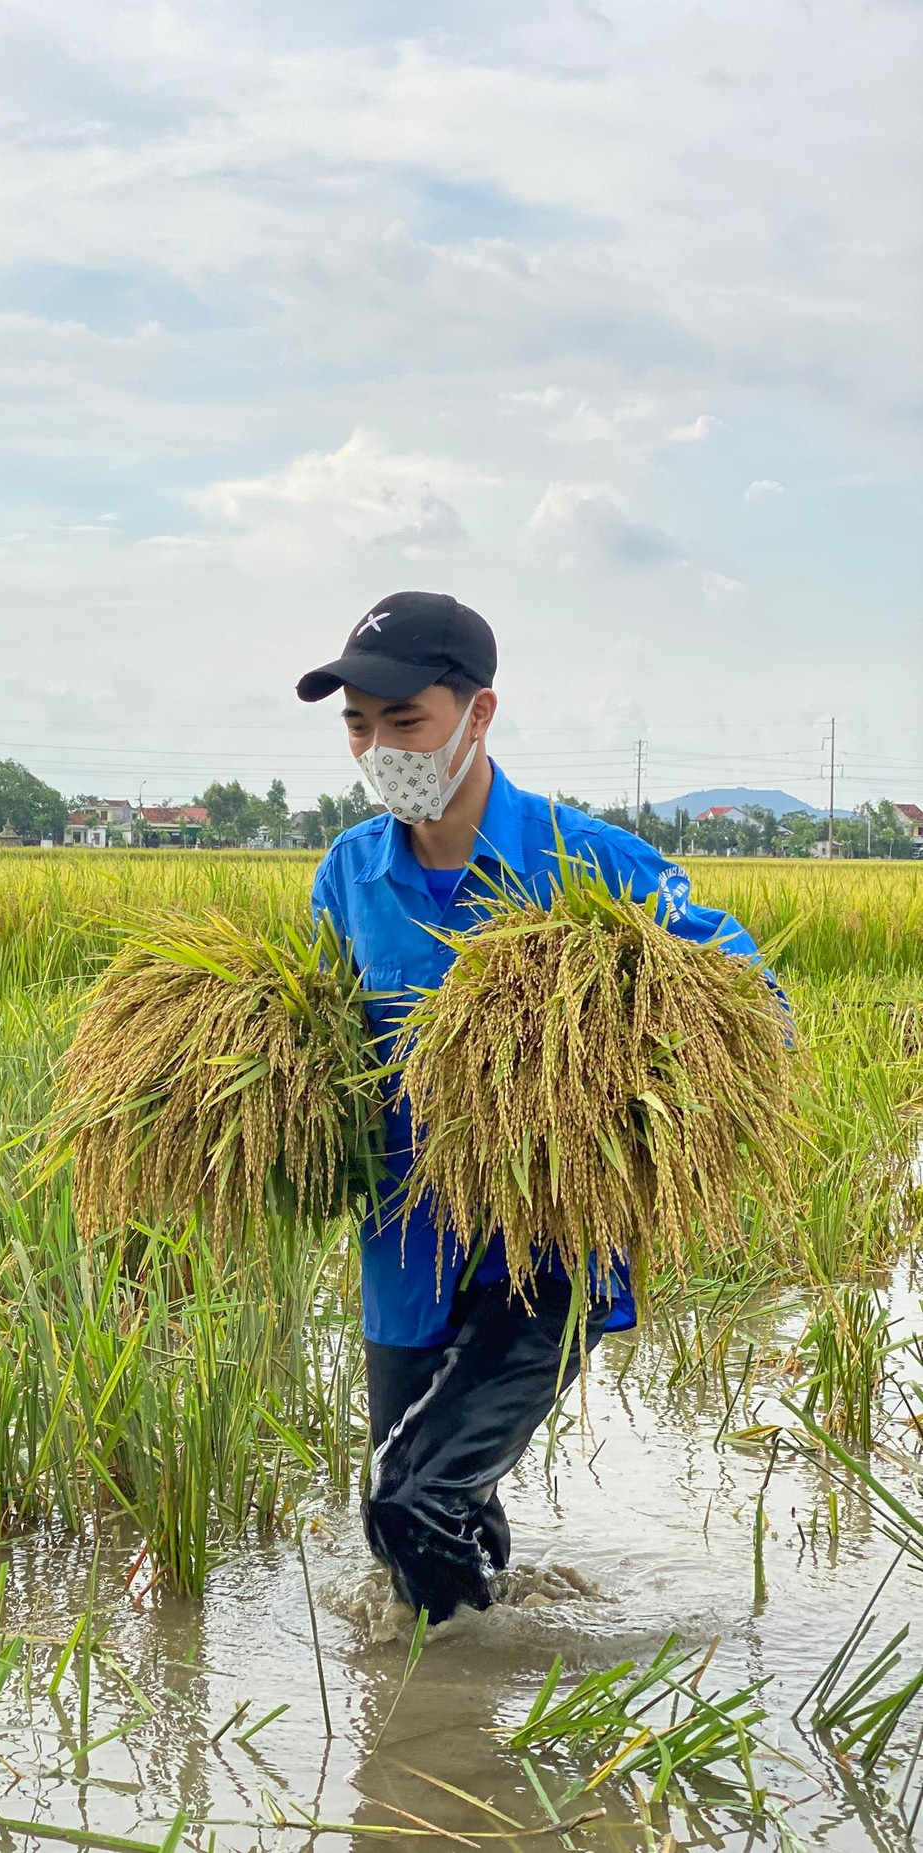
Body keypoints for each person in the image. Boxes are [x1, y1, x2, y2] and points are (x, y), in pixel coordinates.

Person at [297, 590, 770, 1623]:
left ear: (479, 713)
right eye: (356, 723)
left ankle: (459, 1709)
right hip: (403, 1243)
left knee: (410, 1503)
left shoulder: (583, 859)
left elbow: (749, 999)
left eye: (403, 719)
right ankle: (469, 1683)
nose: (379, 746)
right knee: (432, 1508)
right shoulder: (349, 874)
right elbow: (318, 1044)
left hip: (543, 1247)